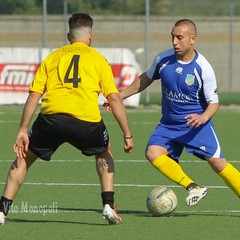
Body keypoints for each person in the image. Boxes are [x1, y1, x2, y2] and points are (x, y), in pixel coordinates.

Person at [0, 13, 134, 225]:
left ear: (68, 35)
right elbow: (114, 98)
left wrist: (23, 130)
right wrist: (127, 134)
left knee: (24, 158)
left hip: (51, 120)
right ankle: (108, 205)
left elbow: (34, 95)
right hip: (86, 123)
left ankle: (2, 211)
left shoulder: (53, 57)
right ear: (90, 36)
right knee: (104, 151)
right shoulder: (98, 59)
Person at [118, 19, 240, 205]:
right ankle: (192, 187)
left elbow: (214, 103)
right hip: (169, 124)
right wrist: (121, 96)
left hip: (196, 126)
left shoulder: (203, 67)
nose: (175, 42)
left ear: (193, 39)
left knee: (217, 163)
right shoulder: (163, 59)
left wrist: (203, 117)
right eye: (173, 37)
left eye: (179, 37)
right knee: (153, 152)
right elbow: (146, 78)